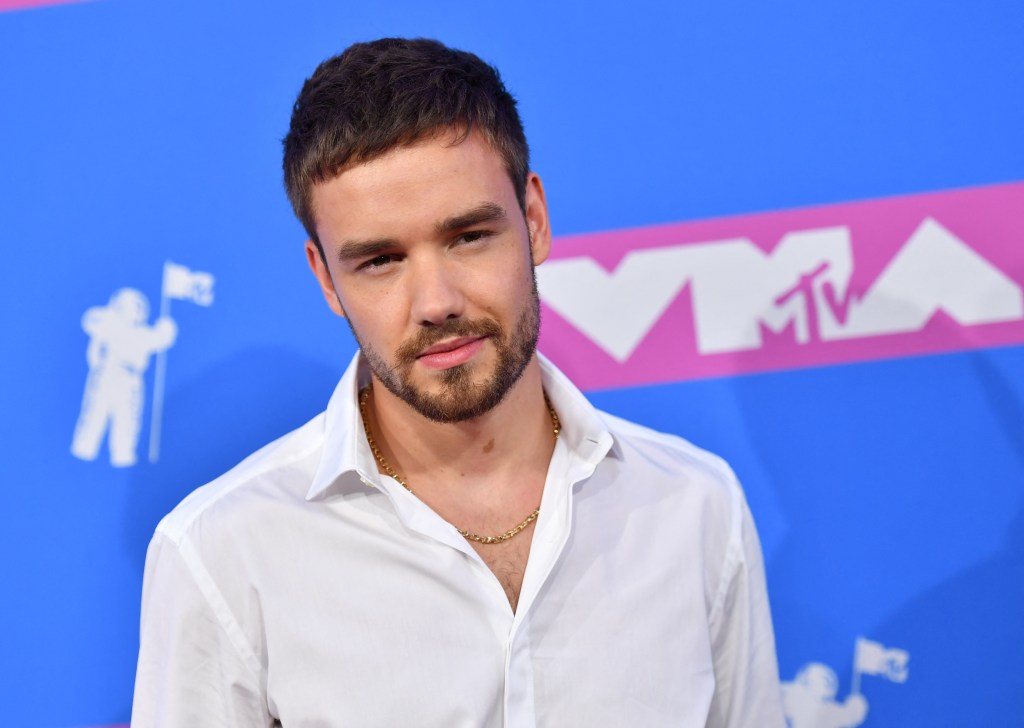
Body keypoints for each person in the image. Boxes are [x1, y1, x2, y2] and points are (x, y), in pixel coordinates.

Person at [132, 37, 785, 727]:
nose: (436, 301)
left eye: (469, 237)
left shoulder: (693, 508)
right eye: (381, 260)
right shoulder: (223, 552)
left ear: (533, 220)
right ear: (326, 278)